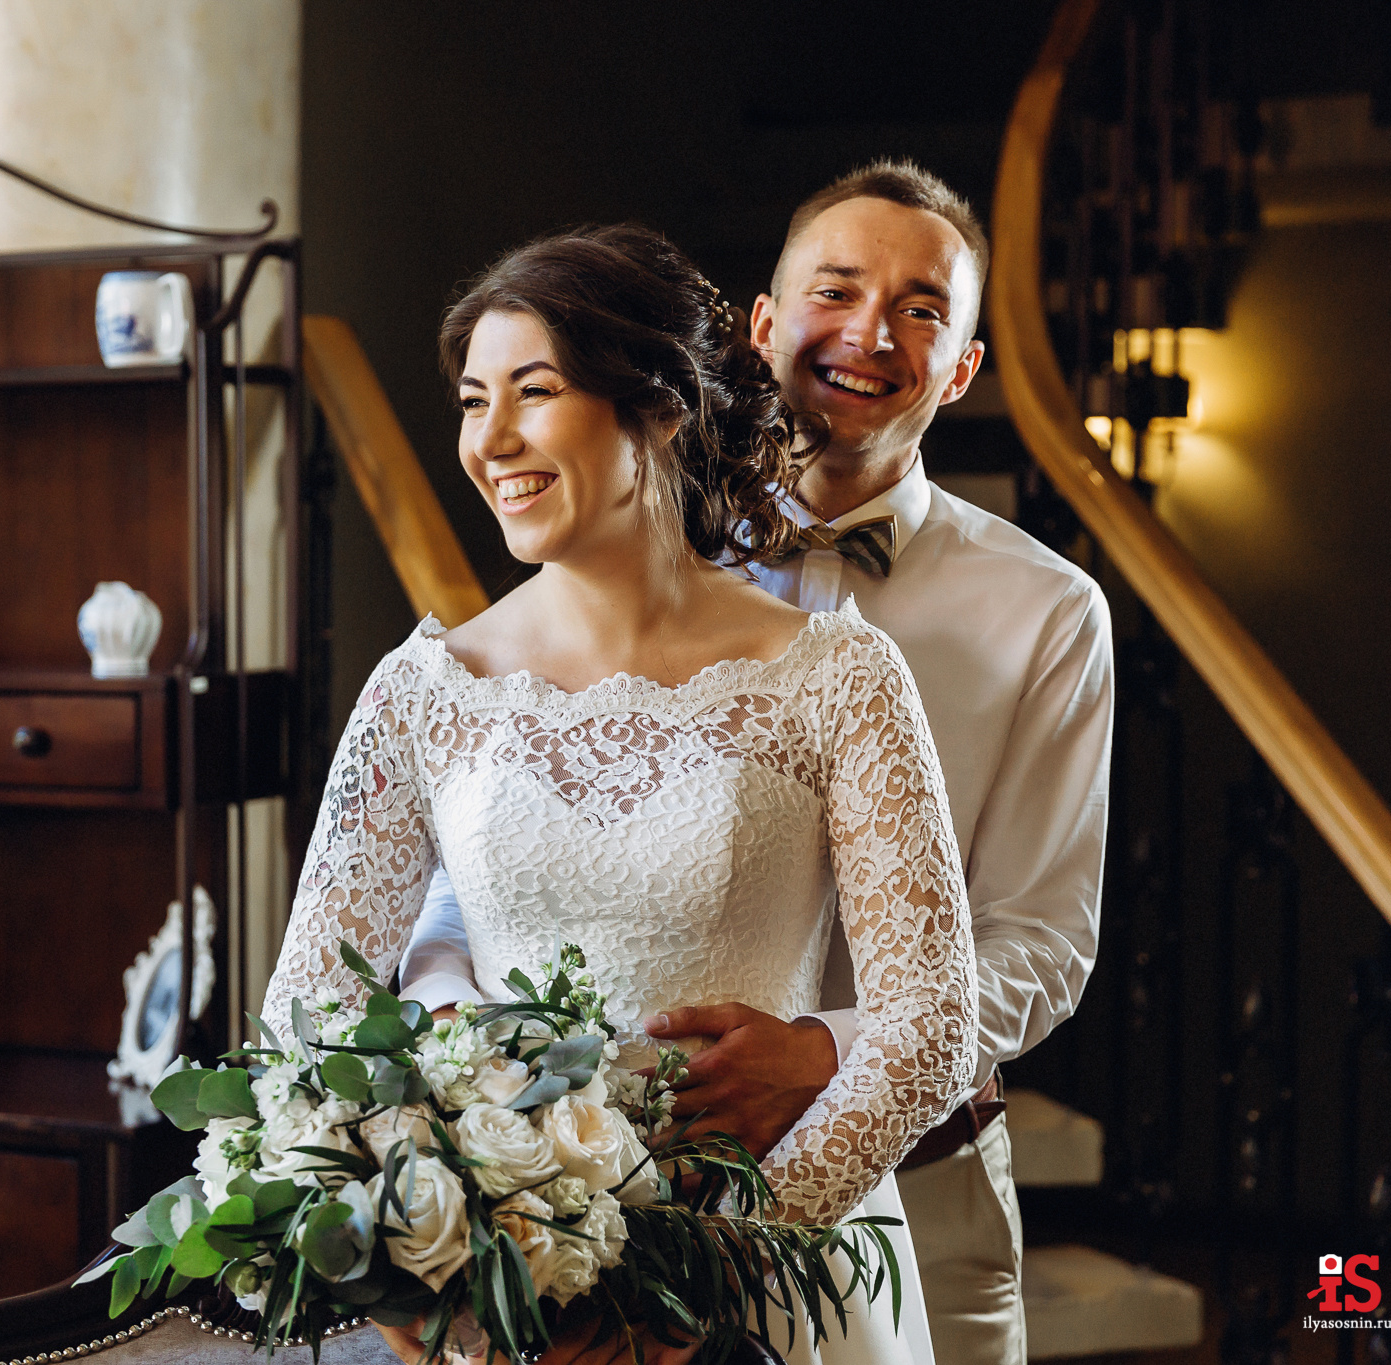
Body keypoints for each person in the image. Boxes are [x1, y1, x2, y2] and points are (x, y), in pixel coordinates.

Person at [400, 162, 1114, 1365]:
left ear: (963, 369)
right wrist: (495, 1109)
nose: (869, 333)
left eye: (922, 309)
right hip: (582, 1200)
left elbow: (1043, 935)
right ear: (762, 325)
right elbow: (471, 875)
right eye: (834, 291)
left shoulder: (1047, 612)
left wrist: (834, 1051)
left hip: (917, 1189)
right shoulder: (603, 549)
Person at [263, 222, 979, 1365]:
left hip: (772, 1291)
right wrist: (436, 1273)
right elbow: (308, 1019)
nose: (489, 439)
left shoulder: (838, 678)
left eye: (531, 393)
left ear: (657, 408)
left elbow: (931, 1028)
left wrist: (696, 1274)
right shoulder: (421, 691)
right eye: (468, 400)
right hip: (509, 1318)